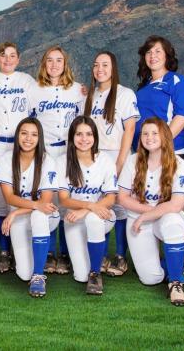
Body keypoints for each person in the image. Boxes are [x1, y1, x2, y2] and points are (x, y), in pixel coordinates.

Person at [133, 35, 184, 280]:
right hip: (146, 155)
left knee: (173, 211)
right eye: (148, 52)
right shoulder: (145, 85)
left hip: (172, 153)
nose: (153, 56)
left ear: (168, 55)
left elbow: (181, 117)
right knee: (153, 206)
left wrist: (161, 145)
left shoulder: (177, 82)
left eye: (158, 51)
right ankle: (164, 259)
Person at [117, 117, 184, 306]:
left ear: (165, 136)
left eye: (154, 133)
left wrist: (147, 215)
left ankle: (176, 283)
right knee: (151, 278)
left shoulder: (179, 164)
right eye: (145, 133)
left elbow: (176, 205)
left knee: (173, 222)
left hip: (164, 217)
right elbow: (123, 197)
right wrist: (147, 212)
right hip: (139, 218)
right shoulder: (133, 161)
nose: (149, 137)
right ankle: (178, 264)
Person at [30, 45, 85, 275]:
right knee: (48, 199)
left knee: (67, 200)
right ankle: (50, 253)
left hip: (69, 151)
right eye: (49, 60)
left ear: (65, 64)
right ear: (44, 64)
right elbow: (29, 122)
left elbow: (84, 121)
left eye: (59, 60)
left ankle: (65, 253)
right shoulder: (34, 90)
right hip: (45, 151)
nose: (54, 64)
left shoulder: (77, 91)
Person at [83, 51, 139, 277]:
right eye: (96, 65)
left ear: (113, 68)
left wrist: (120, 162)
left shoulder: (125, 94)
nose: (100, 69)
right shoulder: (90, 95)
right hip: (95, 156)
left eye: (105, 65)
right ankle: (103, 254)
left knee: (120, 206)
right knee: (101, 205)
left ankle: (121, 256)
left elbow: (130, 129)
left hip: (117, 155)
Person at [0, 42, 36, 274]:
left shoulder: (27, 81)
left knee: (19, 195)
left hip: (18, 144)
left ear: (18, 59)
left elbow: (39, 105)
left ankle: (18, 248)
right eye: (3, 55)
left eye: (12, 55)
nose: (8, 59)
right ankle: (4, 252)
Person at [0, 118, 59, 297]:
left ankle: (39, 275)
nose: (28, 138)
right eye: (24, 133)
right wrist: (23, 209)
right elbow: (9, 197)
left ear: (40, 138)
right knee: (23, 274)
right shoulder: (6, 159)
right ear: (17, 136)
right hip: (21, 215)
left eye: (34, 134)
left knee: (38, 216)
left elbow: (45, 204)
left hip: (46, 216)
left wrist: (16, 212)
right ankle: (31, 267)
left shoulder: (48, 161)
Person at [58, 116, 118, 295]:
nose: (84, 139)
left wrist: (87, 209)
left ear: (95, 137)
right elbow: (64, 200)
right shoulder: (63, 160)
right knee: (79, 276)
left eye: (89, 134)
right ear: (72, 137)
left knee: (93, 219)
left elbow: (111, 198)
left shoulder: (105, 159)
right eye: (79, 134)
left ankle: (96, 273)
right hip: (73, 218)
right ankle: (93, 267)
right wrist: (89, 206)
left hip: (102, 216)